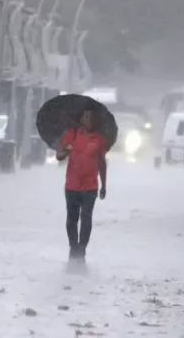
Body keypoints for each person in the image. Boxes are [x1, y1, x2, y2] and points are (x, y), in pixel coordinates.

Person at [56, 107, 108, 262]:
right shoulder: (71, 135)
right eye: (86, 116)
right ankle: (73, 246)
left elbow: (102, 163)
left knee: (86, 218)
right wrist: (66, 150)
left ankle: (82, 248)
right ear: (81, 119)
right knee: (72, 218)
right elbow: (59, 156)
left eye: (91, 117)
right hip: (72, 184)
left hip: (90, 185)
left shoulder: (99, 139)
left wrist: (104, 184)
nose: (89, 120)